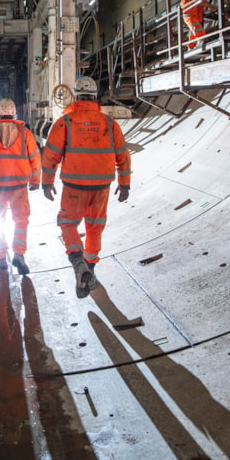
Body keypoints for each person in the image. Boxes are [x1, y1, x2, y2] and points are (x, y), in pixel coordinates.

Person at [41, 76, 131, 298]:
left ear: (77, 96)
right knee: (95, 226)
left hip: (74, 185)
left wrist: (46, 182)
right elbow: (123, 157)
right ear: (95, 97)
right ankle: (89, 268)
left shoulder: (65, 122)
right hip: (102, 185)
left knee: (68, 223)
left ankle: (77, 260)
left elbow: (50, 156)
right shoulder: (110, 124)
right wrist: (125, 184)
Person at [0, 97, 41, 275]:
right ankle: (19, 254)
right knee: (21, 220)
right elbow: (35, 158)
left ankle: (0, 257)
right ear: (14, 113)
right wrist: (35, 181)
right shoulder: (24, 133)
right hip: (18, 186)